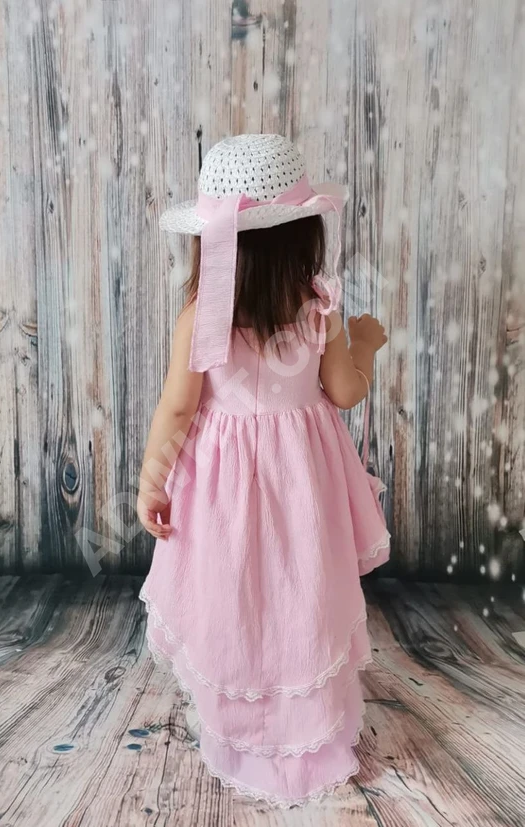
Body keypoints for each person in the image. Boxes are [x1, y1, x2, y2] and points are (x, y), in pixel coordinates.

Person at [137, 134, 390, 808]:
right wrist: (365, 344)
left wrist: (152, 480)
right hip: (300, 484)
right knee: (300, 592)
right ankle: (301, 719)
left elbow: (177, 408)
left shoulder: (201, 319)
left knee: (233, 595)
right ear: (301, 237)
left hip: (223, 488)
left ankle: (244, 719)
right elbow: (344, 390)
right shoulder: (316, 309)